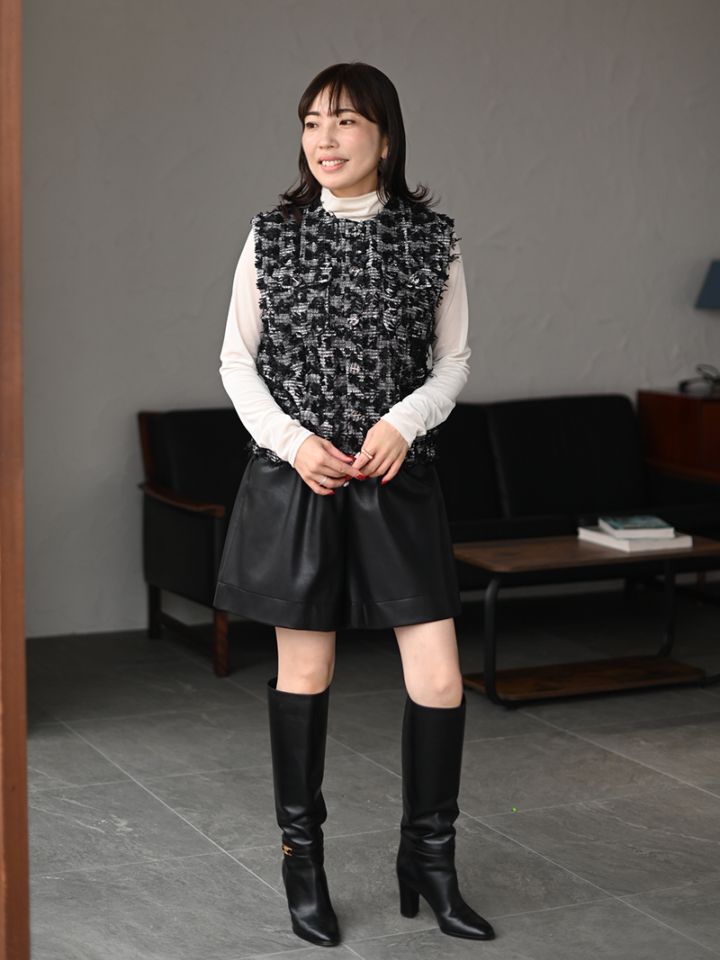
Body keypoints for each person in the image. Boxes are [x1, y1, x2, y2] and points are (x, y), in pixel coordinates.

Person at [213, 62, 496, 947]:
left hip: (396, 483)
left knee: (440, 679)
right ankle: (304, 867)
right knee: (305, 675)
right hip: (296, 482)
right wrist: (294, 442)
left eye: (343, 121)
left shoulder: (433, 238)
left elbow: (453, 361)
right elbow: (236, 361)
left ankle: (430, 862)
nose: (324, 139)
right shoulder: (272, 235)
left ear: (385, 134)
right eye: (311, 122)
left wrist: (404, 423)